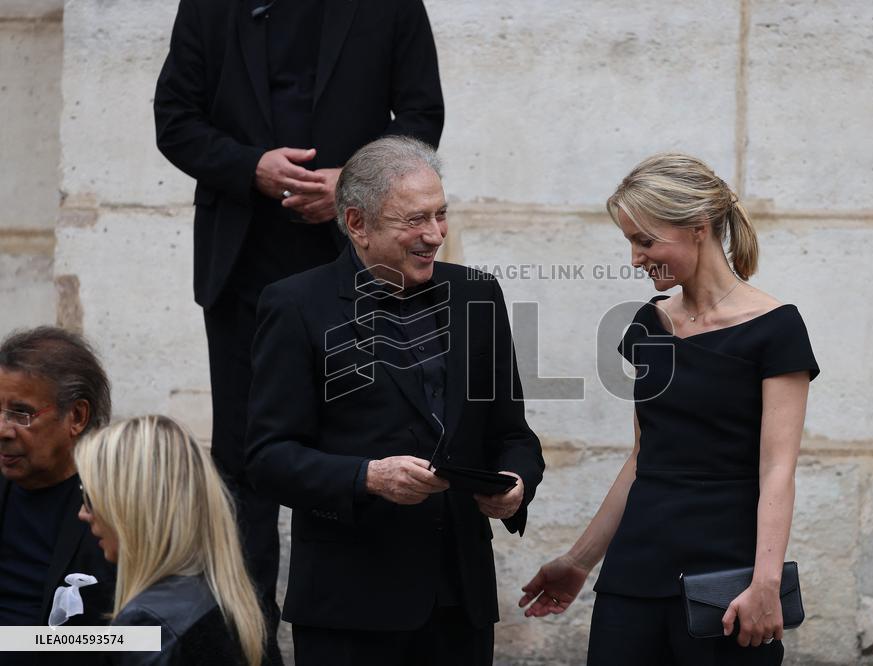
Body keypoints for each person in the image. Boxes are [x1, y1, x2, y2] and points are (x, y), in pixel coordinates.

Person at [153, 1, 444, 658]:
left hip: (356, 264)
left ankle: (350, 638)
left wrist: (354, 184)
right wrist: (250, 167)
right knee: (244, 463)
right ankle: (251, 646)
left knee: (352, 447)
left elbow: (421, 118)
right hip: (242, 267)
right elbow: (175, 120)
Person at [245, 136, 545, 666]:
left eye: (441, 214)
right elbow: (268, 459)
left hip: (460, 605)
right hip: (350, 610)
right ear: (357, 223)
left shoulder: (479, 294)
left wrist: (517, 483)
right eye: (414, 220)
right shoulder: (295, 306)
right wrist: (368, 476)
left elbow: (512, 433)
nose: (434, 235)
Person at [519, 153, 820, 665]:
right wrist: (578, 562)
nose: (636, 258)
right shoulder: (647, 324)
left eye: (645, 241)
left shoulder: (777, 328)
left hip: (724, 585)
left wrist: (765, 583)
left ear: (698, 228)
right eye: (630, 242)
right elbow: (643, 458)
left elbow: (777, 468)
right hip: (633, 574)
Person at [75, 414, 267, 666]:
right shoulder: (220, 595)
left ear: (133, 506)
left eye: (90, 495)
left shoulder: (148, 623)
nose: (82, 513)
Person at [0, 327, 115, 666]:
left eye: (21, 413)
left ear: (77, 417)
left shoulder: (117, 508)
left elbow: (141, 637)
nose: (3, 430)